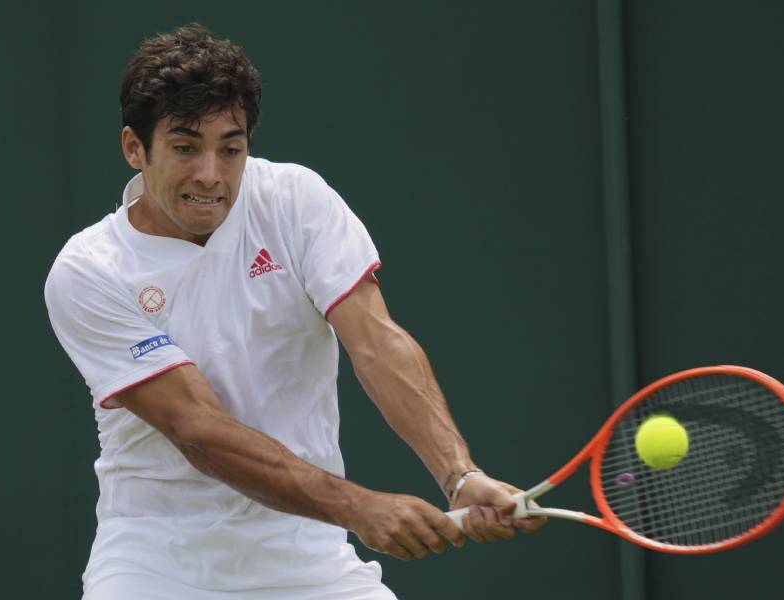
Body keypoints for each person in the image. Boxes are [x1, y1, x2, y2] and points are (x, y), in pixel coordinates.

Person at [44, 23, 545, 600]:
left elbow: (378, 344)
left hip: (310, 556)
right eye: (185, 147)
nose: (211, 174)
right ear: (136, 148)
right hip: (156, 560)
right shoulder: (89, 270)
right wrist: (359, 506)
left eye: (230, 148)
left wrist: (459, 475)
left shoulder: (295, 200)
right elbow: (197, 428)